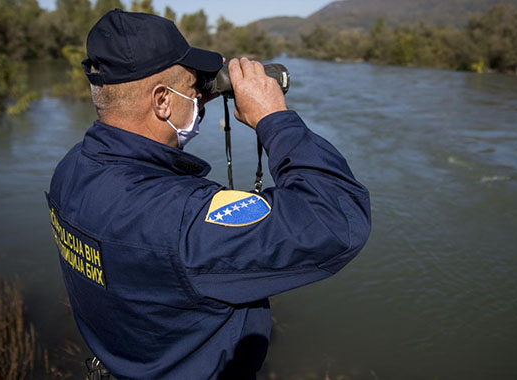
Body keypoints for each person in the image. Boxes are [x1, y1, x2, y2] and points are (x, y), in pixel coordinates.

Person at [46, 9, 371, 380]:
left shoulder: (71, 170)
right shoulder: (184, 219)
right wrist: (273, 118)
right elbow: (337, 218)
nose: (199, 95)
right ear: (161, 102)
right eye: (190, 88)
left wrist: (192, 98)